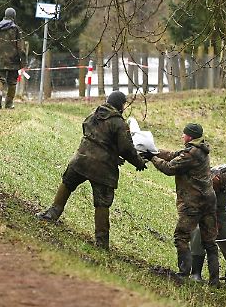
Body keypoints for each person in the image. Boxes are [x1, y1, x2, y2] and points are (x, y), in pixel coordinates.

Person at [36, 91, 145, 248]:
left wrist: (109, 152)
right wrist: (139, 163)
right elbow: (126, 148)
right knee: (102, 202)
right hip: (103, 169)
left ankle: (52, 213)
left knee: (67, 183)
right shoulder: (119, 123)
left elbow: (87, 129)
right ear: (121, 105)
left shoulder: (94, 113)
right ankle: (101, 241)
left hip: (81, 159)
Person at [151, 123, 217, 285]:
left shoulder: (192, 153)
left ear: (190, 136)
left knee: (181, 237)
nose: (182, 136)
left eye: (184, 134)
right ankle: (214, 280)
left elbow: (169, 168)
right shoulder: (199, 149)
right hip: (208, 202)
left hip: (193, 203)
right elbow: (173, 154)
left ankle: (183, 273)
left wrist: (151, 158)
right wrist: (153, 151)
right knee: (210, 242)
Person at [0, 7, 25, 109]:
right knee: (12, 82)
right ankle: (9, 104)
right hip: (13, 60)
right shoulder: (16, 29)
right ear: (13, 16)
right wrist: (23, 62)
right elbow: (21, 48)